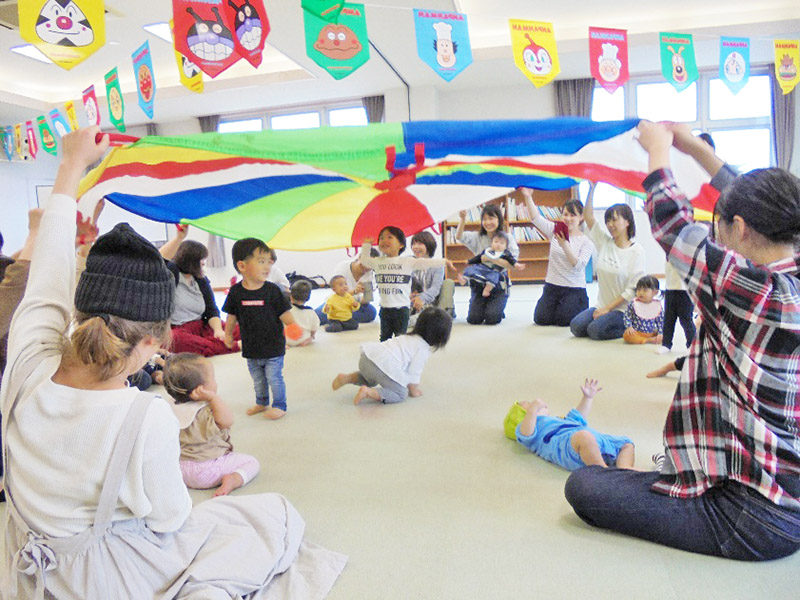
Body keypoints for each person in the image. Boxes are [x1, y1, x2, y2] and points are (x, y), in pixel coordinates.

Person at [0, 128, 346, 597]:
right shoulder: (144, 416)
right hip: (98, 580)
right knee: (266, 516)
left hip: (23, 571)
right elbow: (169, 517)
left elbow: (44, 275)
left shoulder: (24, 365)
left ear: (78, 312)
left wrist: (70, 166)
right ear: (154, 341)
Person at [564, 121, 800, 561]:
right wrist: (695, 148)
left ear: (741, 229)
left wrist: (659, 151)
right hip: (787, 488)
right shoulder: (790, 270)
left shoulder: (751, 288)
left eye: (721, 228)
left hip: (749, 515)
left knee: (585, 488)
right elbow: (762, 204)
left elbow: (671, 223)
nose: (717, 238)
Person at [222, 238, 301, 420]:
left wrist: (293, 326)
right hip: (251, 347)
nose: (267, 266)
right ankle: (262, 401)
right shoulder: (235, 292)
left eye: (268, 261)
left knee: (274, 378)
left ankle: (280, 405)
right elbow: (231, 317)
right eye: (261, 261)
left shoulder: (272, 290)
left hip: (273, 346)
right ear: (242, 266)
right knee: (258, 379)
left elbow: (284, 313)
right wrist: (228, 336)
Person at [163, 352, 260, 496]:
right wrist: (213, 398)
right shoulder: (207, 412)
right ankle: (233, 480)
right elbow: (227, 421)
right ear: (201, 389)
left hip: (179, 470)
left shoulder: (168, 407)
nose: (216, 382)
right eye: (213, 378)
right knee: (252, 463)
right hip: (208, 471)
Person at [569, 184, 647, 340]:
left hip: (623, 310)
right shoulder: (605, 243)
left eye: (615, 220)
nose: (610, 225)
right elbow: (588, 216)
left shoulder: (637, 251)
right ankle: (605, 320)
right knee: (576, 327)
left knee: (595, 331)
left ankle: (635, 324)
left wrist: (607, 309)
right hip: (601, 306)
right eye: (608, 220)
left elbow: (631, 290)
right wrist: (591, 188)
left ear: (627, 222)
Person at [503, 378, 635, 470]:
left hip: (597, 442)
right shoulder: (532, 428)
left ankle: (625, 469)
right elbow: (525, 434)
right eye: (528, 404)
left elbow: (578, 416)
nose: (534, 403)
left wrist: (587, 398)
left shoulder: (559, 421)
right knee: (584, 437)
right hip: (567, 447)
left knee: (626, 443)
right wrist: (532, 410)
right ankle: (604, 472)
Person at [332, 306, 452, 405]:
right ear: (440, 337)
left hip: (367, 358)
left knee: (371, 379)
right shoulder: (422, 349)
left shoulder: (407, 337)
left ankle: (348, 378)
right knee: (401, 393)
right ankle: (368, 392)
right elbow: (414, 372)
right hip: (380, 366)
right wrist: (413, 390)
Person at [359, 226, 454, 341]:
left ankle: (401, 356)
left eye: (390, 237)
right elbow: (364, 260)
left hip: (402, 308)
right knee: (384, 337)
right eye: (381, 238)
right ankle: (387, 357)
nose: (384, 240)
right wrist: (366, 245)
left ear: (401, 245)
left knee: (401, 337)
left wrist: (444, 261)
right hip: (385, 308)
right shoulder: (378, 262)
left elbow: (425, 263)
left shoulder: (407, 261)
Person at [520, 188, 595, 326]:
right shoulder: (555, 230)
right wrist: (528, 196)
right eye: (565, 214)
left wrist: (564, 245)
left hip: (574, 289)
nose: (568, 219)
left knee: (563, 321)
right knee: (541, 319)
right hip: (552, 286)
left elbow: (578, 267)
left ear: (581, 218)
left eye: (573, 215)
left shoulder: (586, 242)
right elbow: (536, 218)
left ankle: (580, 306)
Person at [162, 238, 240, 357]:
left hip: (202, 326)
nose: (203, 263)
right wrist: (179, 236)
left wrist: (218, 330)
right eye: (201, 259)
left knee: (240, 330)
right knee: (175, 340)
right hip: (179, 330)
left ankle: (216, 344)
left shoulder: (201, 280)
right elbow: (160, 261)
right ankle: (234, 345)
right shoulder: (172, 274)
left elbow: (211, 310)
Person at [455, 203, 524, 325]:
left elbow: (511, 264)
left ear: (499, 219)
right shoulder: (478, 237)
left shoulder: (507, 238)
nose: (488, 222)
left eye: (491, 218)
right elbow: (459, 236)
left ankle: (499, 304)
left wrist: (489, 258)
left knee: (492, 319)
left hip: (497, 283)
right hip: (479, 283)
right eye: (485, 219)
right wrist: (462, 219)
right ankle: (485, 304)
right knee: (474, 319)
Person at [316, 251, 378, 325]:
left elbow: (363, 302)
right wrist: (354, 291)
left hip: (353, 305)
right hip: (337, 302)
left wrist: (367, 295)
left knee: (371, 312)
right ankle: (343, 319)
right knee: (317, 317)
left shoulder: (371, 276)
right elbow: (337, 293)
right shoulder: (343, 267)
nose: (367, 267)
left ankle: (338, 319)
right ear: (359, 257)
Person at [409, 231, 456, 319]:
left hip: (433, 302)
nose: (415, 247)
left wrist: (422, 298)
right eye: (413, 244)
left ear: (429, 245)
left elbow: (435, 288)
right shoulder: (410, 263)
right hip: (416, 303)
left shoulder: (437, 265)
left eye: (419, 244)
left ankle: (443, 314)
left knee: (448, 283)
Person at [459, 232, 516, 297]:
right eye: (496, 242)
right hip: (483, 268)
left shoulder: (505, 254)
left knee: (493, 278)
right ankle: (464, 279)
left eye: (502, 243)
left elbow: (512, 260)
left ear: (506, 247)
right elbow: (479, 257)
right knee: (471, 269)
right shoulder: (488, 250)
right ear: (491, 243)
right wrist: (470, 261)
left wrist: (516, 264)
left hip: (494, 271)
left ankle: (487, 290)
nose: (498, 245)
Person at [622, 275, 664, 345]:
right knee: (627, 336)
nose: (641, 293)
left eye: (645, 290)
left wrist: (660, 333)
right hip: (636, 332)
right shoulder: (633, 303)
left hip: (652, 332)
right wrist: (629, 327)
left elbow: (660, 322)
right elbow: (627, 316)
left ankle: (652, 338)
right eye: (638, 290)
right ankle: (648, 340)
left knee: (666, 334)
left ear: (655, 292)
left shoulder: (657, 305)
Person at [286, 280, 320, 347]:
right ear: (308, 298)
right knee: (310, 335)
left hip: (287, 339)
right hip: (303, 339)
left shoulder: (285, 310)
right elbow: (314, 328)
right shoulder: (311, 312)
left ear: (291, 296)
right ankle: (308, 340)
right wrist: (312, 336)